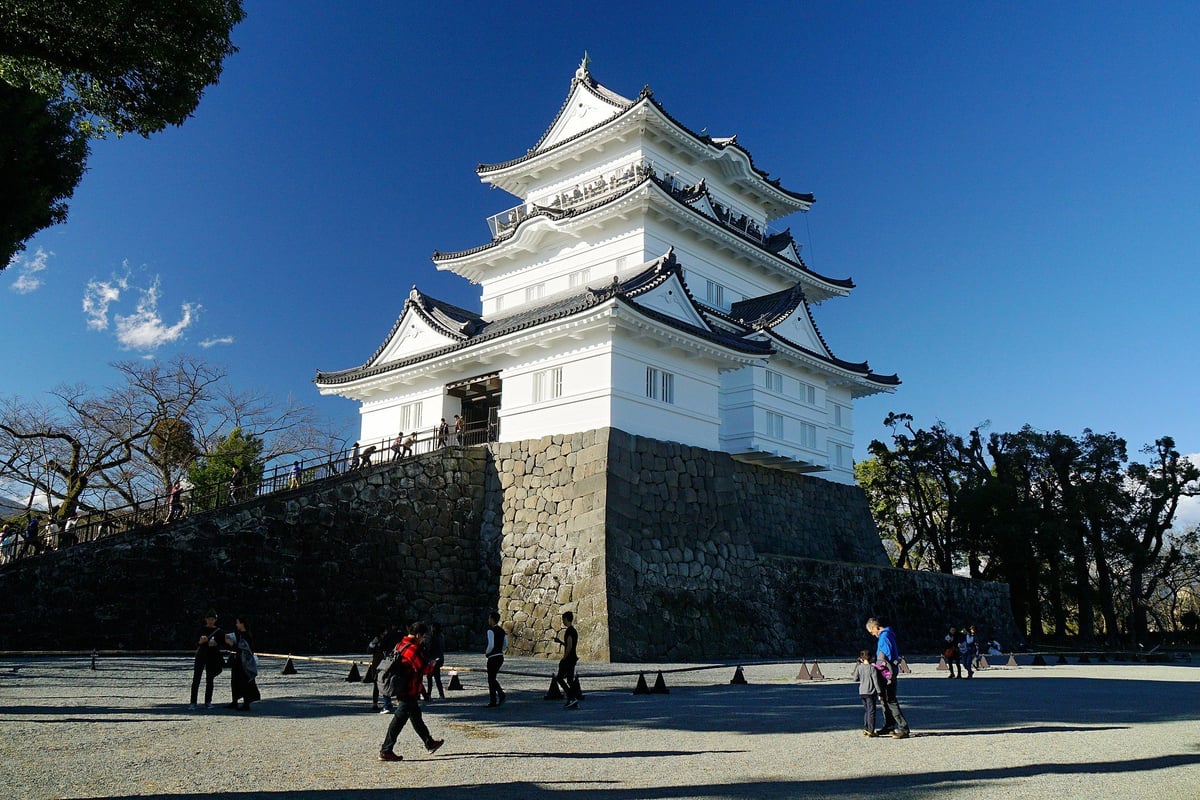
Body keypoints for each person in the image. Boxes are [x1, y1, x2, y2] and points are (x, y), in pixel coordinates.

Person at [378, 621, 445, 762]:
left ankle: (429, 743)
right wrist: (433, 665)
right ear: (418, 634)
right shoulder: (413, 649)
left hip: (402, 686)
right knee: (399, 720)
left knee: (416, 716)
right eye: (423, 637)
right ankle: (386, 750)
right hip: (408, 688)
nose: (423, 639)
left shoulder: (400, 644)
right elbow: (422, 669)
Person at [866, 617, 910, 738]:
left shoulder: (884, 637)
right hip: (888, 672)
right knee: (884, 699)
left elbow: (884, 657)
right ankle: (889, 725)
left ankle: (903, 728)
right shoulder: (887, 635)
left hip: (886, 674)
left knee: (890, 700)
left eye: (871, 632)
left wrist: (874, 665)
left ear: (876, 627)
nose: (872, 634)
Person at [189, 610, 225, 710]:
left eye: (212, 619)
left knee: (210, 679)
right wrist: (200, 641)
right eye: (209, 619)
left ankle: (208, 701)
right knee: (196, 679)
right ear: (205, 619)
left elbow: (224, 642)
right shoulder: (200, 630)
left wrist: (216, 643)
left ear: (215, 620)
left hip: (212, 656)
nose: (210, 621)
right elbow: (194, 642)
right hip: (201, 655)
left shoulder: (219, 631)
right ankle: (193, 702)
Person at [224, 618, 260, 711]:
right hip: (238, 661)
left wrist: (231, 643)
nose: (236, 625)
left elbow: (243, 649)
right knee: (235, 681)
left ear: (242, 624)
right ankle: (234, 701)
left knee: (244, 682)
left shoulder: (247, 635)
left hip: (244, 662)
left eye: (238, 623)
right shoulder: (239, 634)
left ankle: (246, 703)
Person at [369, 624, 401, 713]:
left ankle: (387, 703)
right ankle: (376, 703)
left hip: (385, 664)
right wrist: (373, 643)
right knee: (379, 684)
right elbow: (369, 650)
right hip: (379, 665)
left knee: (385, 683)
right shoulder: (378, 640)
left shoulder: (388, 639)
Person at [552, 611, 581, 709]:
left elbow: (569, 645)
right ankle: (572, 698)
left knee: (560, 678)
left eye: (563, 619)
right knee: (569, 680)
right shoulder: (574, 631)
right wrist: (560, 642)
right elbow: (570, 645)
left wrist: (564, 657)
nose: (563, 621)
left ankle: (571, 697)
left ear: (566, 619)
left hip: (568, 658)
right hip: (573, 657)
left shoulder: (569, 631)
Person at [852, 649, 884, 737]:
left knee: (866, 711)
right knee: (871, 711)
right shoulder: (872, 668)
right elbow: (876, 681)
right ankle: (871, 730)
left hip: (862, 691)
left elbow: (855, 678)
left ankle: (866, 728)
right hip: (871, 692)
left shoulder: (859, 667)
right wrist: (880, 693)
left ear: (861, 658)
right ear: (871, 658)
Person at [483, 611, 507, 707]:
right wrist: (499, 649)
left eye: (489, 618)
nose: (488, 620)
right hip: (500, 656)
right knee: (492, 678)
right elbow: (505, 645)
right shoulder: (502, 631)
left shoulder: (490, 631)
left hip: (493, 657)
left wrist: (487, 652)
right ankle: (498, 696)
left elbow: (491, 645)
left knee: (491, 679)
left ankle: (497, 698)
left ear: (492, 619)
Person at [423, 622, 446, 700]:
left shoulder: (431, 637)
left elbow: (428, 649)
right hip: (439, 659)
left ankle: (429, 694)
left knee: (429, 678)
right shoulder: (441, 636)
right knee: (437, 678)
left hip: (432, 660)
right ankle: (441, 694)